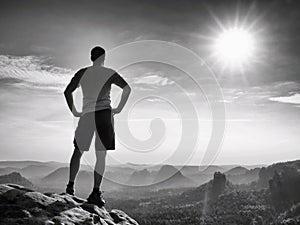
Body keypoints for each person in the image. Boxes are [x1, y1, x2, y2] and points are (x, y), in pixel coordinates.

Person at [63, 46, 131, 207]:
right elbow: (127, 88)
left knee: (78, 151)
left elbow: (67, 92)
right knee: (101, 155)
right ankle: (95, 192)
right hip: (104, 115)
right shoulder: (109, 73)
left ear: (91, 57)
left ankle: (70, 187)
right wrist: (119, 108)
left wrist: (74, 111)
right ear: (104, 58)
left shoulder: (82, 73)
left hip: (87, 115)